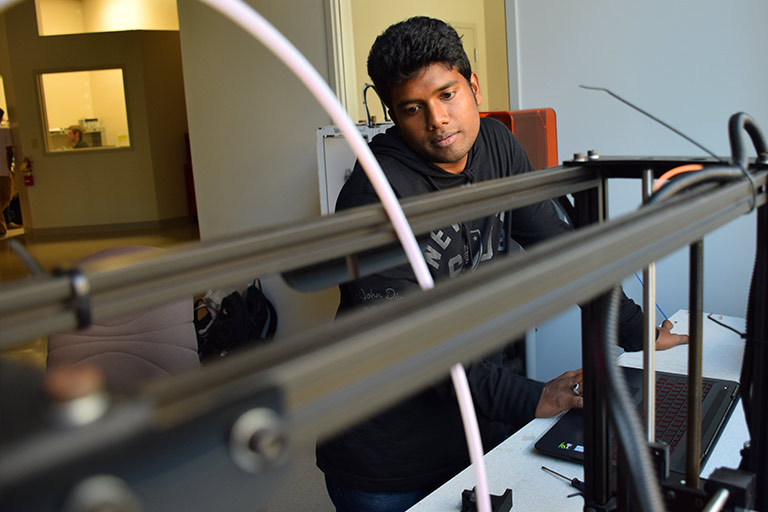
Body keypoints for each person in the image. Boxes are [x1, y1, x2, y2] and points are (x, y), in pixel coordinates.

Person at [316, 17, 688, 512]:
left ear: (473, 85)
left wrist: (636, 330)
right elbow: (415, 353)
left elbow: (561, 252)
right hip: (386, 455)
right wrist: (534, 397)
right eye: (413, 108)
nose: (438, 121)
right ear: (393, 113)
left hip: (474, 426)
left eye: (448, 95)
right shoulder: (374, 198)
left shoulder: (496, 145)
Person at [0, 108, 14, 237]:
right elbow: (10, 151)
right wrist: (9, 167)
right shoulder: (4, 132)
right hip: (3, 170)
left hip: (3, 169)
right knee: (6, 197)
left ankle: (2, 228)